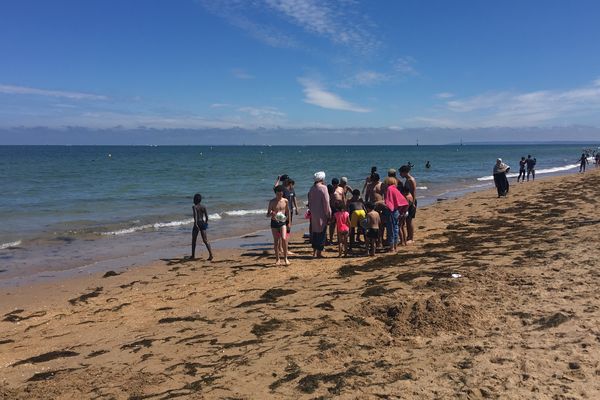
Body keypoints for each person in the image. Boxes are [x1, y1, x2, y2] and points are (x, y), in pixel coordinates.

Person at [308, 171, 331, 258]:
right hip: (322, 214)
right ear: (322, 179)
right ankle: (319, 253)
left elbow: (309, 202)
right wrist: (328, 214)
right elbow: (326, 202)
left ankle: (314, 252)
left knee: (315, 233)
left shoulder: (312, 188)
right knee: (322, 233)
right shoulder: (323, 188)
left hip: (314, 214)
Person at [382, 176, 408, 253]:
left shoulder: (389, 189)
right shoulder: (395, 189)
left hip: (391, 211)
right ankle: (395, 247)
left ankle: (392, 247)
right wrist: (401, 211)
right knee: (396, 228)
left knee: (391, 229)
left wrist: (385, 205)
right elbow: (404, 202)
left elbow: (389, 202)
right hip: (396, 211)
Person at [267, 185, 290, 266]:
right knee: (276, 241)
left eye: (280, 194)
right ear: (275, 193)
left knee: (284, 238)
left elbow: (288, 211)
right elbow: (267, 214)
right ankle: (277, 259)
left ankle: (285, 258)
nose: (279, 196)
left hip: (282, 222)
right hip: (274, 223)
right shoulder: (272, 202)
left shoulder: (285, 201)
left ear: (282, 193)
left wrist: (289, 222)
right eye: (278, 194)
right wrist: (272, 213)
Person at [191, 193, 213, 261]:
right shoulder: (203, 206)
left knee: (194, 240)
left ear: (195, 200)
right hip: (202, 223)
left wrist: (196, 224)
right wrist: (206, 223)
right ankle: (211, 254)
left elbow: (195, 216)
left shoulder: (194, 207)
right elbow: (207, 217)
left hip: (197, 223)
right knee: (205, 240)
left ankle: (193, 256)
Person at [399, 165, 417, 244]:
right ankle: (408, 236)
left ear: (405, 172)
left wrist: (412, 203)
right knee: (407, 220)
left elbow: (413, 192)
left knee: (409, 220)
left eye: (401, 173)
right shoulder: (407, 180)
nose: (400, 175)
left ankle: (411, 238)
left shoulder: (411, 180)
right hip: (408, 201)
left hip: (411, 201)